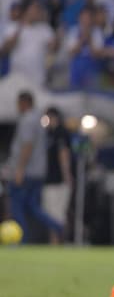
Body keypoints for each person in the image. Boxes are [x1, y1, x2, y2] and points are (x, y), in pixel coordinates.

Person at [1, 91, 63, 244]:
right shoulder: (39, 120)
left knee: (17, 205)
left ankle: (20, 239)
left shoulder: (28, 120)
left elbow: (27, 146)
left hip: (26, 172)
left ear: (24, 103)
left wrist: (20, 169)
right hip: (38, 172)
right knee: (32, 206)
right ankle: (57, 226)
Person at [42, 107, 73, 241]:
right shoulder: (48, 133)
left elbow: (63, 155)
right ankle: (54, 241)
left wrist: (66, 176)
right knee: (50, 213)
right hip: (48, 179)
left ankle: (59, 241)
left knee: (57, 214)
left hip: (58, 180)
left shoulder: (61, 133)